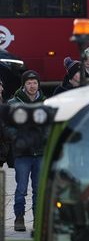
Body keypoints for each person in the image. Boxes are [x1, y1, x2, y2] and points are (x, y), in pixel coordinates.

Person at [9, 70, 46, 232]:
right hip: (22, 153)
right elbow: (6, 126)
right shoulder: (14, 103)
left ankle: (38, 220)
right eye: (29, 83)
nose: (32, 86)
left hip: (40, 153)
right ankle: (19, 217)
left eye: (35, 82)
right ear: (24, 85)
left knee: (39, 189)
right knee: (21, 188)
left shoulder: (46, 103)